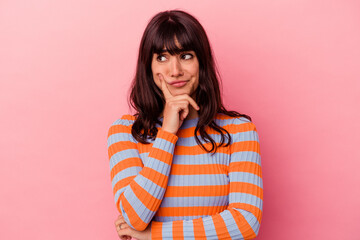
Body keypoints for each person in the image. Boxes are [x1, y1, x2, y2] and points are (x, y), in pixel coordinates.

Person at [107, 9, 263, 240]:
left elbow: (245, 223)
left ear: (201, 62)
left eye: (186, 56)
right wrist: (168, 131)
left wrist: (154, 235)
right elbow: (134, 217)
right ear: (149, 68)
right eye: (162, 57)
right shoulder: (125, 133)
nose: (175, 70)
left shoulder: (239, 131)